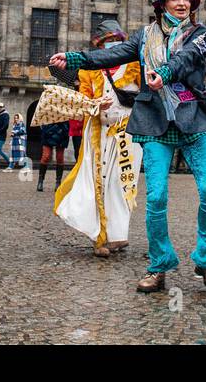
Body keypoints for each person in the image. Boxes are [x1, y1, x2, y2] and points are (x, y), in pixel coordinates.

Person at [51, 0, 206, 294]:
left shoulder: (201, 35)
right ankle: (159, 265)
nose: (182, 4)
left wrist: (165, 74)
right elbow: (110, 56)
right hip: (155, 122)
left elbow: (186, 59)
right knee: (156, 198)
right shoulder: (144, 37)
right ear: (162, 4)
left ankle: (205, 261)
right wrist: (74, 59)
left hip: (193, 120)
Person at [54, 18, 143, 258]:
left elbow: (146, 95)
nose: (112, 45)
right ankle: (99, 237)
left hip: (128, 132)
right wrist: (95, 104)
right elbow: (83, 102)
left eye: (116, 40)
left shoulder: (135, 64)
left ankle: (118, 234)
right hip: (99, 133)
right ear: (100, 45)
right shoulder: (88, 70)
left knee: (123, 182)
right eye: (108, 41)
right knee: (98, 182)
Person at [38, 118, 69, 190]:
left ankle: (58, 182)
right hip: (48, 132)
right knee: (46, 156)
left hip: (62, 132)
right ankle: (40, 181)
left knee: (60, 158)